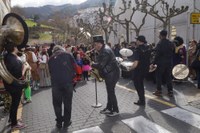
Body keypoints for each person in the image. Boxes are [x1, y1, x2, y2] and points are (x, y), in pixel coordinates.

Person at [48, 45, 76, 129]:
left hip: (56, 85)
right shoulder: (68, 55)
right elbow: (75, 67)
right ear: (62, 49)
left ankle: (59, 122)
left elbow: (50, 71)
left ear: (54, 51)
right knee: (67, 103)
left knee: (57, 104)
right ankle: (67, 122)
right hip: (67, 83)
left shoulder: (50, 59)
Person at [91, 35, 120, 117]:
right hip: (110, 73)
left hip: (112, 74)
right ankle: (109, 108)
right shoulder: (104, 49)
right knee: (110, 92)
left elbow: (101, 65)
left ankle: (115, 110)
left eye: (95, 45)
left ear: (100, 44)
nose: (94, 47)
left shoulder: (105, 51)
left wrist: (92, 64)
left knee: (111, 92)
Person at [3, 39, 28, 130]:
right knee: (15, 104)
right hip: (15, 86)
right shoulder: (13, 59)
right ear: (14, 48)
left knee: (14, 103)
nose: (18, 48)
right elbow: (19, 75)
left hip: (10, 85)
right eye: (16, 46)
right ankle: (14, 124)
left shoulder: (7, 56)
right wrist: (25, 67)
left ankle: (11, 119)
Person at [151, 30, 175, 97]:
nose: (158, 36)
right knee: (168, 77)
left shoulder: (160, 43)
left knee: (158, 76)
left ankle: (159, 91)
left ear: (161, 35)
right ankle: (170, 91)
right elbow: (173, 52)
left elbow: (157, 54)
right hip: (169, 62)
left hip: (161, 63)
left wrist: (153, 63)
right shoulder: (170, 43)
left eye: (159, 34)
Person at [129, 36, 151, 106]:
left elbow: (136, 63)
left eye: (137, 40)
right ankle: (142, 100)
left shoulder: (137, 49)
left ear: (139, 41)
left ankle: (141, 101)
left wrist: (130, 68)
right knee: (141, 85)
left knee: (138, 86)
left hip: (138, 70)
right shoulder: (148, 48)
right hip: (145, 69)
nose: (136, 41)